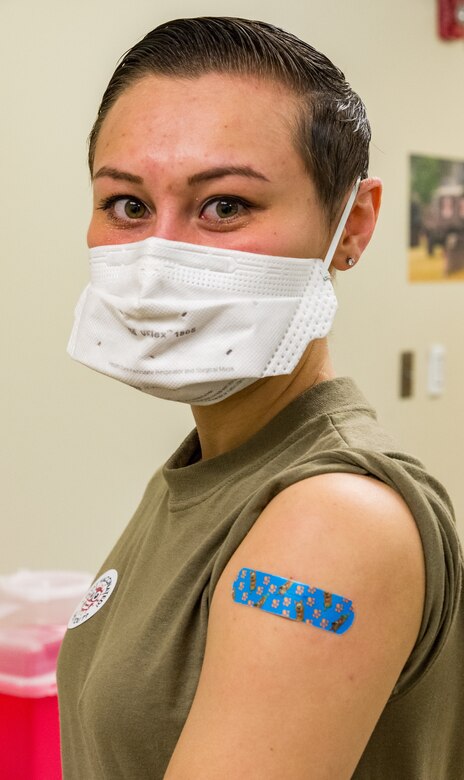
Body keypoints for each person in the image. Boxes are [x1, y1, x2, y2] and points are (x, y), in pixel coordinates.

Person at [57, 16, 463, 779]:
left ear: (353, 225)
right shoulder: (210, 468)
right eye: (129, 206)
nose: (156, 262)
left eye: (224, 206)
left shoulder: (334, 520)